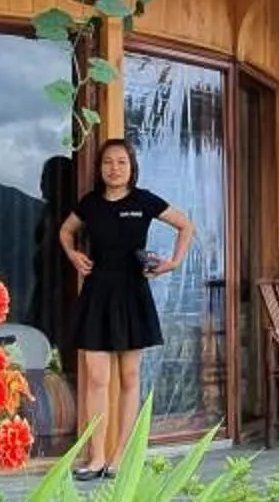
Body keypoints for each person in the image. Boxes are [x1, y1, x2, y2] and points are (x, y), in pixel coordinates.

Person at [58, 137, 195, 481]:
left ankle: (120, 456)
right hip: (97, 295)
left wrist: (173, 263)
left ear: (132, 167)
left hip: (133, 293)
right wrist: (74, 255)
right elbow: (65, 231)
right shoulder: (90, 204)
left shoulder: (144, 201)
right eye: (108, 162)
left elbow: (185, 225)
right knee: (96, 378)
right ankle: (96, 457)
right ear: (100, 168)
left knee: (130, 377)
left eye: (121, 162)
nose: (114, 168)